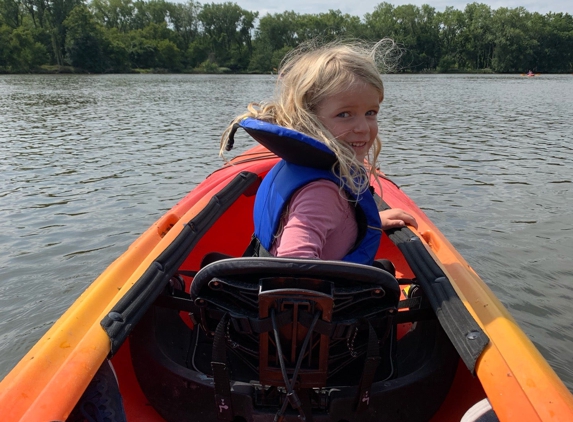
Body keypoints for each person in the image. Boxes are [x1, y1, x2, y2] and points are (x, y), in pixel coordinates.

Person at [220, 40, 417, 263]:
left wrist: (366, 221)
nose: (363, 127)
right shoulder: (323, 193)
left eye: (370, 112)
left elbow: (321, 219)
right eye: (345, 114)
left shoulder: (300, 164)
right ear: (309, 120)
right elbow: (292, 265)